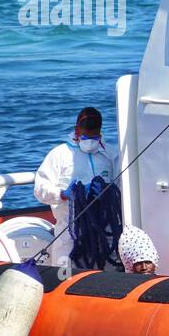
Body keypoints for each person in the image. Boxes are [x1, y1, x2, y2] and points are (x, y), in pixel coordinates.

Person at [33, 107, 116, 271]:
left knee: (107, 274)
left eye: (94, 137)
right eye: (86, 136)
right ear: (77, 130)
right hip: (69, 231)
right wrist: (62, 194)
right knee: (65, 276)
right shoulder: (59, 155)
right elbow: (40, 189)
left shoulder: (110, 154)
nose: (90, 141)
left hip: (104, 231)